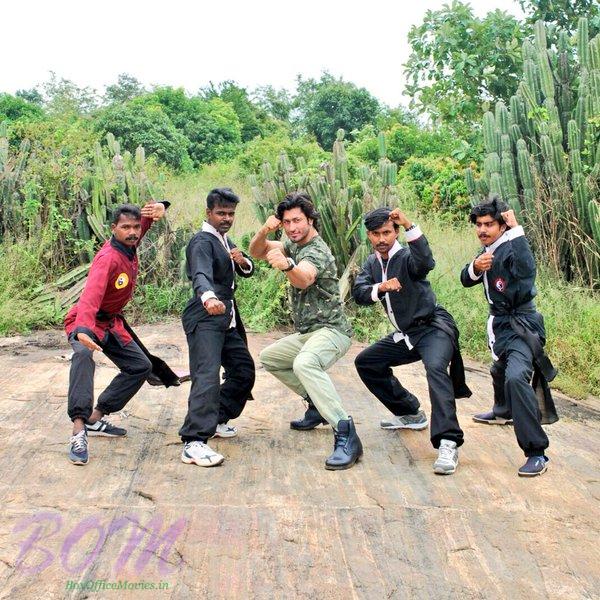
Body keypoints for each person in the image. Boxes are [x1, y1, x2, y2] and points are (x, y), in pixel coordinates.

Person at [249, 192, 362, 470]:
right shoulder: (293, 243)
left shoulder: (316, 250)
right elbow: (256, 251)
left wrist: (287, 265)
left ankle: (346, 432)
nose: (292, 227)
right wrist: (266, 229)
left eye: (297, 220)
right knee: (270, 358)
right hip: (308, 332)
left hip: (333, 331)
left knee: (305, 363)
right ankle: (316, 405)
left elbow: (304, 279)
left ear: (310, 220)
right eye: (286, 222)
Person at [353, 207, 471, 475]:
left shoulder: (407, 257)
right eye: (375, 234)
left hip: (432, 328)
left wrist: (409, 225)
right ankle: (410, 412)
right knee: (366, 362)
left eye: (386, 232)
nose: (382, 238)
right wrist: (380, 288)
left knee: (436, 370)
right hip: (406, 335)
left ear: (395, 232)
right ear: (369, 236)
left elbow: (426, 262)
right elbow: (359, 293)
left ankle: (448, 442)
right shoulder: (372, 264)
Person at [65, 201, 172, 465]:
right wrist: (83, 330)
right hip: (87, 322)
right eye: (126, 227)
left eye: (136, 227)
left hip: (112, 323)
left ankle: (95, 418)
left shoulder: (129, 243)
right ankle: (79, 429)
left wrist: (161, 206)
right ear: (114, 229)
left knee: (140, 366)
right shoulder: (108, 259)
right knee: (82, 357)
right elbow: (90, 296)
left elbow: (144, 222)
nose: (133, 231)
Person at [460, 196, 558, 477]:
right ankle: (503, 410)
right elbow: (465, 279)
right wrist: (476, 267)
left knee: (516, 377)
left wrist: (517, 230)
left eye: (489, 224)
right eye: (479, 225)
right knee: (499, 368)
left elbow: (527, 271)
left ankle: (537, 452)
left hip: (523, 325)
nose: (482, 229)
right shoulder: (487, 250)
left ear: (502, 226)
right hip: (501, 325)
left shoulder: (513, 247)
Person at [179, 188, 256, 468]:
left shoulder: (222, 239)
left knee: (243, 371)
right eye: (221, 213)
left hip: (227, 316)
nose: (226, 218)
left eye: (231, 214)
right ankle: (194, 441)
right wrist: (208, 296)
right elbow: (200, 273)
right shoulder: (202, 241)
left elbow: (245, 269)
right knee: (207, 376)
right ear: (208, 213)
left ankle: (217, 417)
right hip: (206, 314)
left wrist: (243, 261)